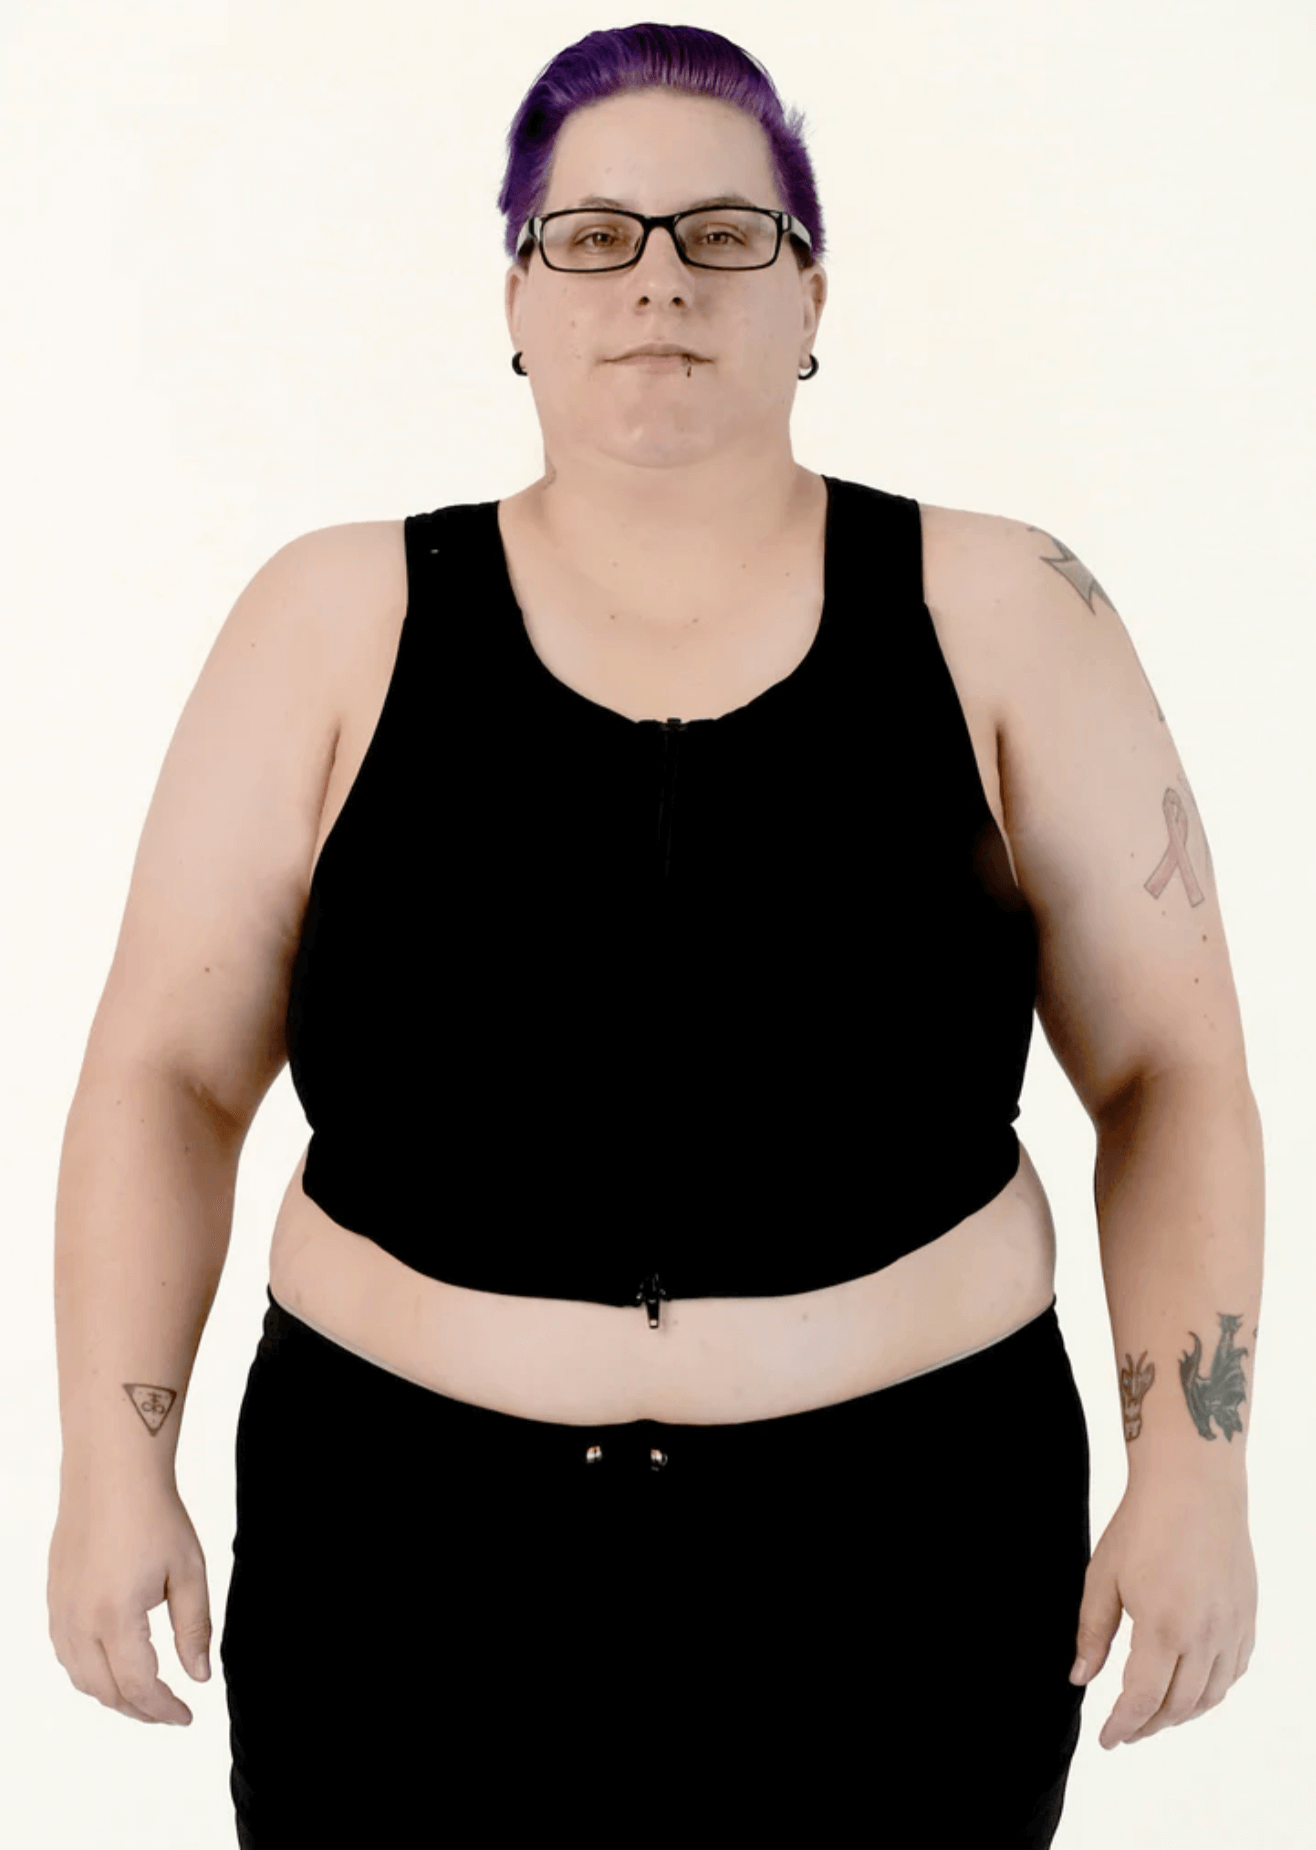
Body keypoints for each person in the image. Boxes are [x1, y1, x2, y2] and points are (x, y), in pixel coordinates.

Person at [49, 22, 1259, 1850]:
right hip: (404, 1576)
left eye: (726, 234)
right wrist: (110, 1458)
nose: (660, 282)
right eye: (595, 235)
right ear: (517, 299)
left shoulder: (1008, 610)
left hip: (905, 1578)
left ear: (811, 295)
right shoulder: (328, 621)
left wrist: (1198, 1472)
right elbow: (164, 1071)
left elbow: (1173, 1071)